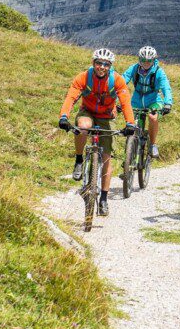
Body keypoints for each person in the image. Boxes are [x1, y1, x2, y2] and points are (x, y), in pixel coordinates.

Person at [58, 48, 136, 216]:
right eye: (99, 63)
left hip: (108, 117)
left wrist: (130, 123)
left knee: (107, 157)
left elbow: (126, 102)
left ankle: (103, 200)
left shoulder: (117, 81)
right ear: (93, 63)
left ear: (110, 66)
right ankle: (79, 160)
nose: (102, 67)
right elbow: (71, 97)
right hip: (88, 112)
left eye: (106, 64)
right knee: (83, 127)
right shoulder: (84, 77)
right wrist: (64, 116)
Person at [121, 45, 173, 158]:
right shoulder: (134, 69)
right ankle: (128, 156)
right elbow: (121, 83)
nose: (146, 63)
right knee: (131, 124)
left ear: (154, 60)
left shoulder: (159, 72)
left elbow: (166, 87)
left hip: (153, 100)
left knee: (153, 117)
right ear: (139, 59)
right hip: (136, 101)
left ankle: (153, 144)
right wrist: (115, 100)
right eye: (143, 60)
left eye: (149, 60)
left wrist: (168, 103)